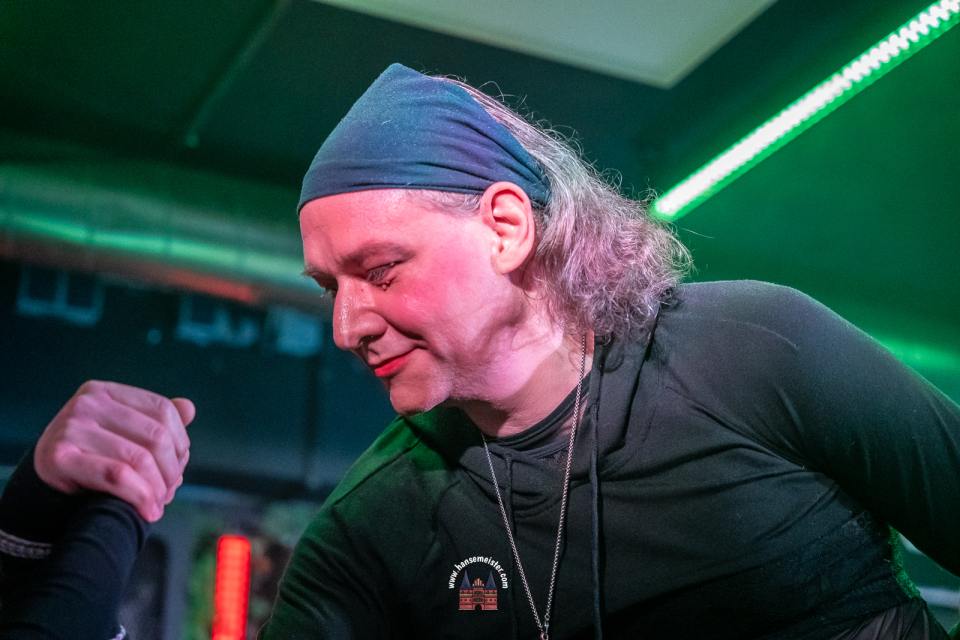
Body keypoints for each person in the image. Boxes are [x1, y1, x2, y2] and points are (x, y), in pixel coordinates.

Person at [2, 63, 959, 639]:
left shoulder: (755, 351)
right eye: (330, 288)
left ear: (507, 227)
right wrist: (42, 529)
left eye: (381, 270)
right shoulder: (372, 528)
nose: (347, 325)